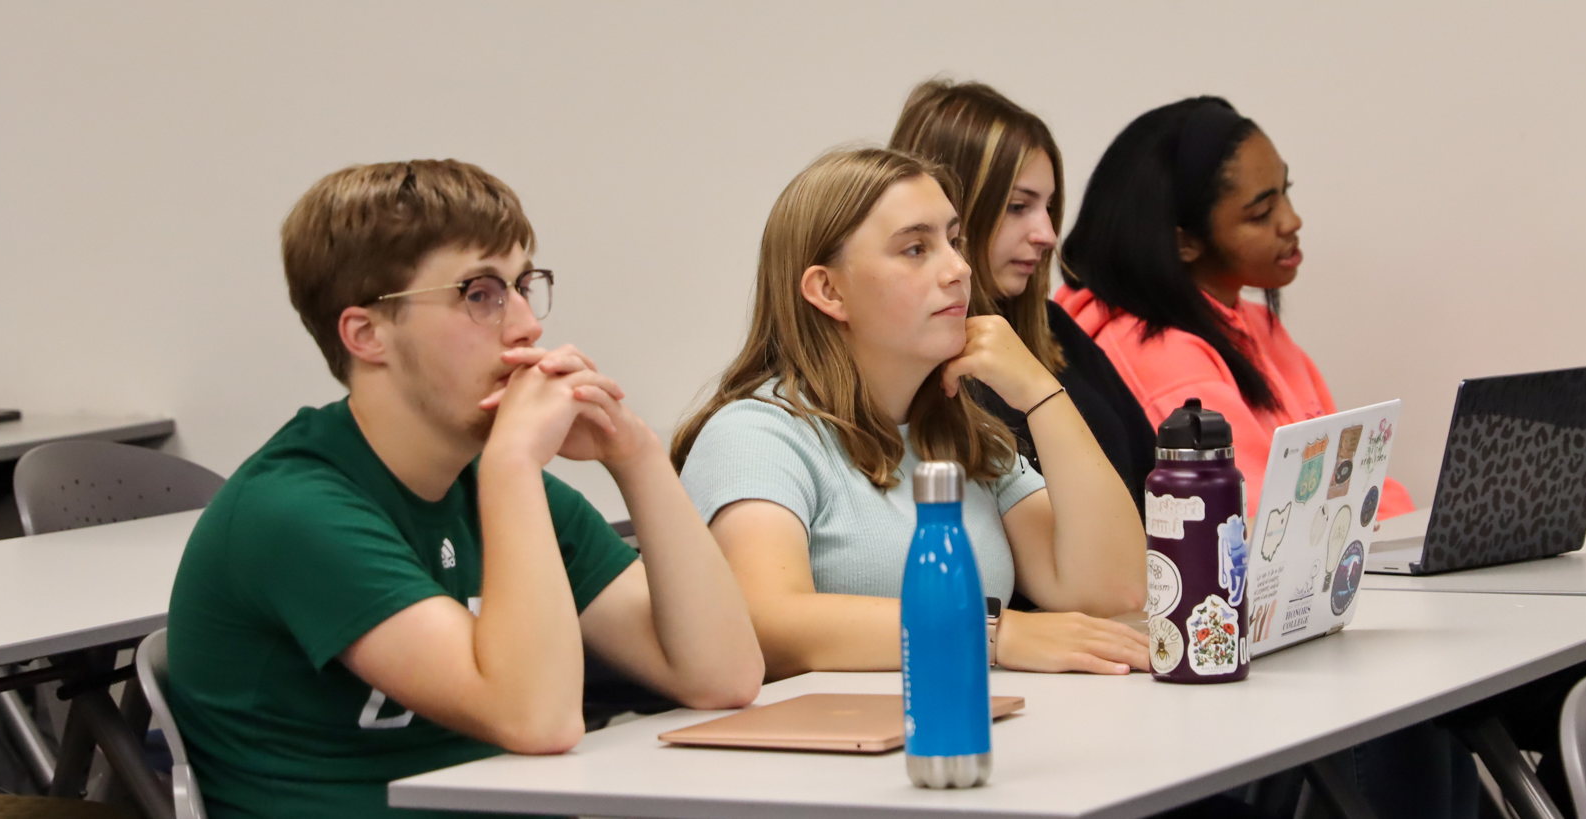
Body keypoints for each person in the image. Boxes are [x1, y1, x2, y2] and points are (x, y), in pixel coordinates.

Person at [166, 160, 763, 819]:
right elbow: (539, 719)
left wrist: (638, 454)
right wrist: (513, 463)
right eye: (480, 292)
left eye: (523, 285)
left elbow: (723, 675)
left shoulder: (489, 482)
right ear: (367, 334)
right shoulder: (295, 509)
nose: (526, 324)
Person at [673, 148, 1147, 681]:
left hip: (964, 724)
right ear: (829, 291)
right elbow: (766, 622)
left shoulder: (964, 435)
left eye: (955, 240)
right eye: (916, 248)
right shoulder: (755, 434)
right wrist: (992, 633)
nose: (959, 269)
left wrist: (1041, 394)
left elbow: (1113, 592)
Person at [1059, 97, 1414, 519]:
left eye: (1286, 192)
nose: (1291, 221)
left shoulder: (1255, 321)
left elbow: (1354, 475)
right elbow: (1267, 520)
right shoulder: (1156, 353)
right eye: (1262, 212)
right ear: (1184, 243)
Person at [888, 79, 1156, 509]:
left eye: (1049, 207)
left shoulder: (1056, 330)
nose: (1047, 235)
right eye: (1018, 206)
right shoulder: (918, 374)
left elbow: (1157, 478)